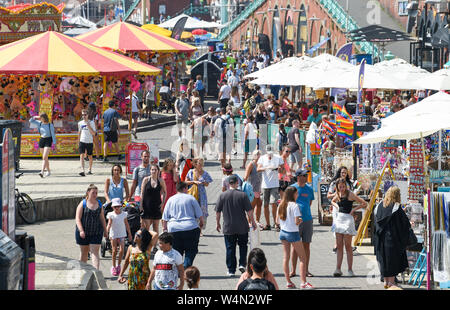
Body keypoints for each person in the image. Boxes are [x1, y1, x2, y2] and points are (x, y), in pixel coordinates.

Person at [215, 175, 257, 277]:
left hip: (228, 227)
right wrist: (253, 222)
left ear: (229, 183)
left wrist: (217, 223)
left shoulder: (222, 195)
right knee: (243, 246)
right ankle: (242, 264)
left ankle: (231, 270)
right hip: (242, 226)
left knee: (230, 248)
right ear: (237, 183)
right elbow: (249, 211)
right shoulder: (243, 195)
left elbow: (218, 211)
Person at [373, 186, 411, 289]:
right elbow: (404, 225)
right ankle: (391, 283)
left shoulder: (378, 206)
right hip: (392, 239)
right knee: (392, 261)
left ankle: (386, 282)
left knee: (384, 261)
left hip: (380, 239)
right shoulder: (396, 207)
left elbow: (375, 224)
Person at [276, 186, 313, 289]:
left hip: (283, 232)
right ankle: (303, 282)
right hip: (293, 232)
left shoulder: (281, 205)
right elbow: (297, 221)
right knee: (303, 258)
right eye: (296, 194)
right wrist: (300, 220)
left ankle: (288, 281)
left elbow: (277, 221)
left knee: (286, 257)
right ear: (293, 195)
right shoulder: (294, 206)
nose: (298, 195)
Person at [331, 178, 367, 277]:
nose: (342, 189)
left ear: (346, 186)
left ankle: (350, 269)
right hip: (339, 219)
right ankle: (338, 269)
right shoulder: (337, 194)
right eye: (340, 187)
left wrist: (354, 209)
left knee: (347, 245)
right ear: (337, 187)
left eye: (343, 186)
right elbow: (332, 201)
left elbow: (364, 203)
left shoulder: (350, 194)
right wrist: (336, 206)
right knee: (339, 245)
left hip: (347, 219)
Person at [162, 182, 204, 268]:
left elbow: (165, 218)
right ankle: (186, 266)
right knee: (191, 250)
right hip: (190, 227)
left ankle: (179, 269)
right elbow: (200, 215)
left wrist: (165, 230)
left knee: (177, 251)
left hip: (174, 229)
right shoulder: (191, 198)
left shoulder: (170, 199)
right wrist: (201, 225)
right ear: (185, 188)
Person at [75, 184, 108, 270]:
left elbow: (102, 218)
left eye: (96, 193)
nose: (95, 195)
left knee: (95, 252)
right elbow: (77, 218)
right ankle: (82, 270)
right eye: (93, 193)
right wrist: (81, 230)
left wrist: (105, 230)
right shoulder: (83, 203)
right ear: (88, 193)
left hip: (96, 232)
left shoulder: (99, 204)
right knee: (84, 252)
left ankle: (96, 272)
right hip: (84, 232)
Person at [290, 169, 315, 279]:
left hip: (307, 220)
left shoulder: (309, 188)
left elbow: (310, 202)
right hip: (295, 220)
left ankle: (305, 270)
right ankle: (293, 270)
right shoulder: (292, 188)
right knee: (294, 246)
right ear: (298, 176)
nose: (305, 177)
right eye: (304, 175)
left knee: (306, 245)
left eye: (306, 175)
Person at [327, 166, 355, 253]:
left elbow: (351, 194)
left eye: (345, 173)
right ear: (339, 173)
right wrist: (336, 194)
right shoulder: (334, 183)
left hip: (347, 208)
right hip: (338, 207)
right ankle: (337, 245)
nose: (343, 174)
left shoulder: (349, 183)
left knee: (347, 225)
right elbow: (328, 195)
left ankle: (348, 245)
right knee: (337, 225)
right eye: (342, 172)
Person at [257, 145, 284, 231]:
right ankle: (268, 224)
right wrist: (266, 168)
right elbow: (258, 169)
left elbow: (283, 170)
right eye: (269, 153)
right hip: (265, 184)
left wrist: (278, 169)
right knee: (265, 204)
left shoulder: (278, 158)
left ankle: (276, 223)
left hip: (274, 184)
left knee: (273, 203)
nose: (270, 155)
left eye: (271, 153)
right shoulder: (262, 158)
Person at [185, 158, 213, 234]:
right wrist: (194, 182)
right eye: (199, 163)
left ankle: (200, 230)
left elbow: (207, 184)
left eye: (202, 163)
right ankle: (192, 229)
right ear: (195, 164)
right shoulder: (191, 172)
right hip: (192, 194)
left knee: (202, 212)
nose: (201, 165)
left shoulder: (205, 173)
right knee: (192, 211)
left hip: (202, 195)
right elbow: (185, 182)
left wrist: (203, 183)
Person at [107, 198, 132, 276]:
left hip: (121, 233)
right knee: (114, 250)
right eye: (115, 207)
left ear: (120, 206)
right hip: (114, 234)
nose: (116, 208)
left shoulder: (124, 214)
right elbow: (109, 224)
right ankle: (113, 266)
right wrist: (106, 231)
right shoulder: (111, 214)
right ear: (112, 207)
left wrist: (130, 234)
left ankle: (118, 265)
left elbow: (127, 224)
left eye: (118, 206)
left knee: (121, 250)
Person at [140, 164, 167, 235]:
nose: (154, 171)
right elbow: (142, 193)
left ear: (158, 171)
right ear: (150, 171)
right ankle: (146, 244)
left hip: (156, 205)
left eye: (155, 170)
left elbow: (165, 192)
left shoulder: (161, 180)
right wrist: (141, 205)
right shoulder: (146, 179)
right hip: (147, 206)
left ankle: (155, 245)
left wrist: (163, 203)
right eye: (152, 170)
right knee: (147, 227)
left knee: (156, 227)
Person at [29, 113, 56, 178]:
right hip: (42, 140)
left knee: (44, 156)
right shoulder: (39, 123)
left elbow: (53, 134)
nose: (40, 119)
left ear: (44, 118)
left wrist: (54, 143)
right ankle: (48, 171)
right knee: (45, 158)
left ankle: (42, 171)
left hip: (48, 140)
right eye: (40, 118)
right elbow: (30, 120)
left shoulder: (50, 125)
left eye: (41, 118)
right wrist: (36, 116)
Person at [244, 150, 263, 227]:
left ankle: (257, 221)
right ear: (254, 156)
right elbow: (246, 176)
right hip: (252, 188)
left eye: (259, 154)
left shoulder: (260, 164)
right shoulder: (251, 164)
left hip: (259, 188)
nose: (258, 156)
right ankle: (249, 222)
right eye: (257, 154)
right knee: (252, 206)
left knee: (259, 204)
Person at [77, 109, 96, 176]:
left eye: (85, 115)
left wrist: (89, 126)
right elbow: (79, 133)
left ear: (88, 115)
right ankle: (82, 170)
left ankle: (90, 169)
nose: (84, 116)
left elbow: (93, 133)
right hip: (82, 140)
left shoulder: (91, 122)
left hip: (89, 141)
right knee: (81, 155)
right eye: (82, 115)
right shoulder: (80, 123)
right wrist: (78, 141)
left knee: (90, 156)